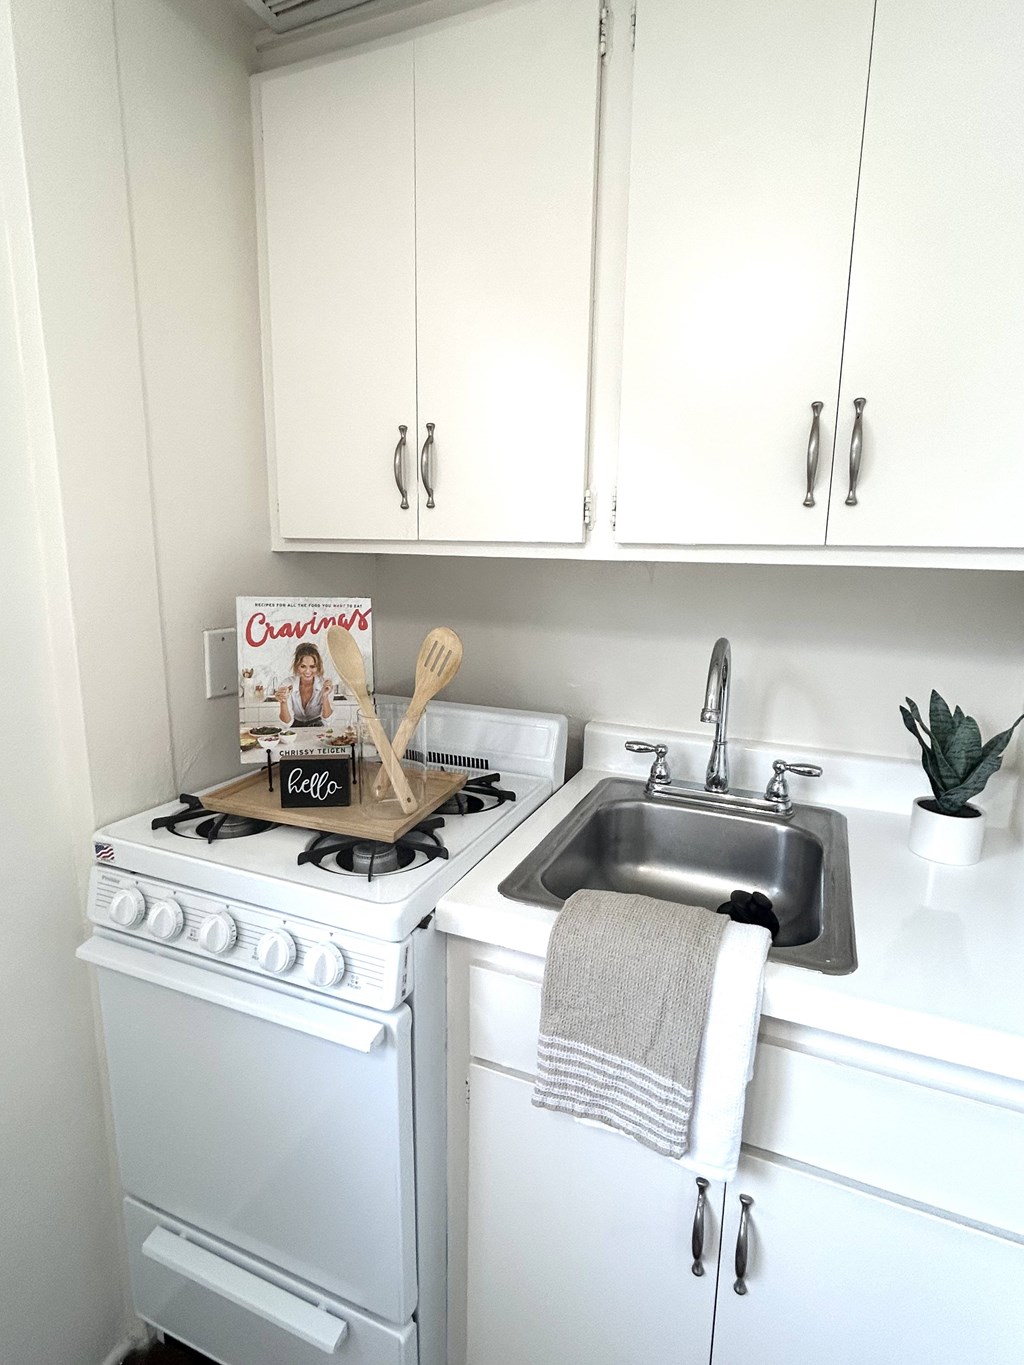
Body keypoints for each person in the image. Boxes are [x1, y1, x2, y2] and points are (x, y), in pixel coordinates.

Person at [274, 643, 335, 727]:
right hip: (294, 726)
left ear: (318, 667)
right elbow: (286, 723)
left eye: (312, 666)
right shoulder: (287, 684)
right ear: (297, 666)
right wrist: (283, 702)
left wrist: (325, 696)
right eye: (303, 666)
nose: (307, 671)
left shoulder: (325, 685)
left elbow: (328, 721)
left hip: (318, 726)